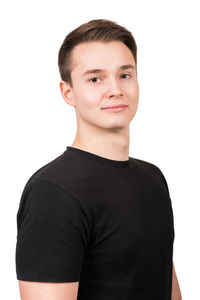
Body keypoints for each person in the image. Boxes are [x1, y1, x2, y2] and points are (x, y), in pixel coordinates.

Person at [15, 18, 182, 300]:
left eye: (125, 75)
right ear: (68, 92)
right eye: (95, 79)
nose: (115, 89)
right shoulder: (53, 192)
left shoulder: (153, 178)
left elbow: (166, 284)